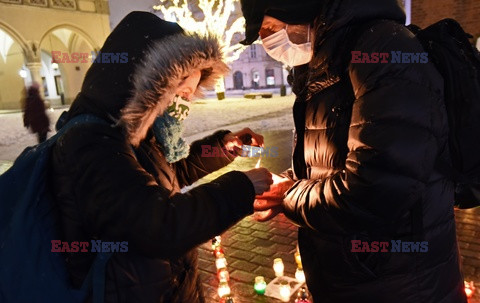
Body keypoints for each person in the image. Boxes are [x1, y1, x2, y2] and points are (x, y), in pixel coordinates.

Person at [240, 0, 467, 302]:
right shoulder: (327, 59)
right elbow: (329, 160)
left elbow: (378, 188)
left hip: (400, 281)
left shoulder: (382, 51)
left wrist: (290, 195)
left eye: (269, 27)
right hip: (356, 276)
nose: (268, 40)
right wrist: (288, 181)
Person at [51, 12, 272, 303]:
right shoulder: (91, 142)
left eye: (191, 93)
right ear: (147, 83)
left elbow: (166, 178)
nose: (186, 101)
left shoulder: (132, 134)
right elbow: (158, 224)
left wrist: (221, 148)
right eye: (182, 91)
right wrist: (242, 188)